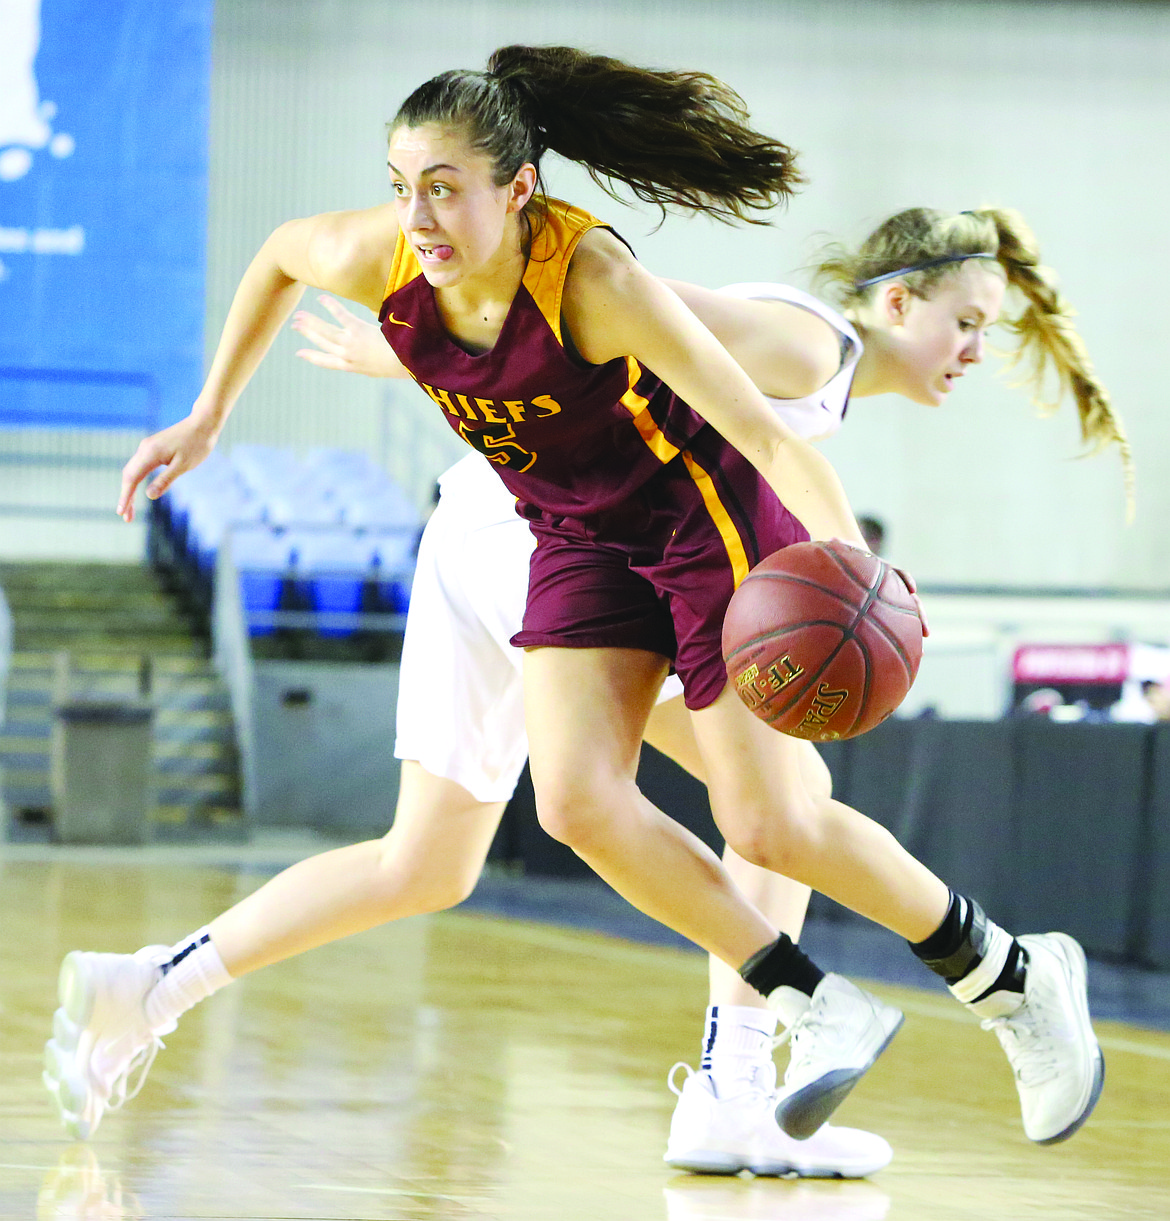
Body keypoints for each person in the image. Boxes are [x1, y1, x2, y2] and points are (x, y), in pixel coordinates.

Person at [46, 47, 1105, 1160]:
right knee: (593, 805)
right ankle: (783, 1026)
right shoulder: (399, 254)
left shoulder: (598, 281)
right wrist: (212, 413)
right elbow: (278, 256)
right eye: (403, 185)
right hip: (554, 526)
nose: (416, 212)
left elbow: (747, 428)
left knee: (768, 816)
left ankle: (1001, 984)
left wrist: (848, 558)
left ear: (519, 190)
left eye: (444, 187)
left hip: (687, 520)